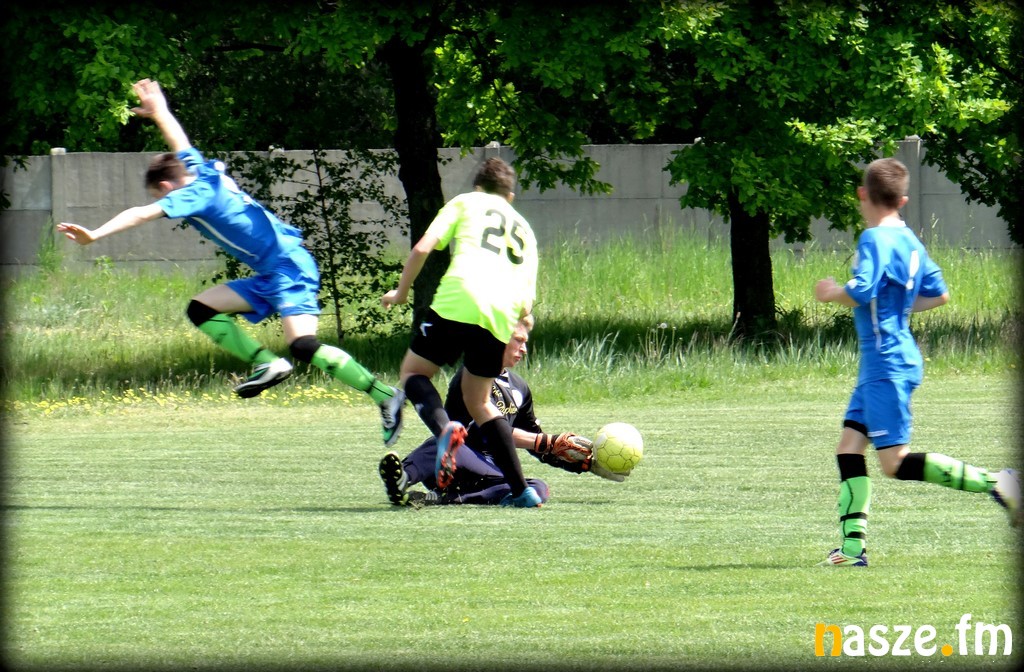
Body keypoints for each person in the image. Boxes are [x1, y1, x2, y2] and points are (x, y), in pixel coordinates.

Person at [56, 79, 403, 445]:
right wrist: (160, 112)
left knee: (303, 345)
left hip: (289, 267)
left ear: (166, 188)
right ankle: (268, 363)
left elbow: (141, 213)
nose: (162, 201)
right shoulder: (201, 171)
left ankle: (384, 395)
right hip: (273, 271)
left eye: (160, 195)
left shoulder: (193, 194)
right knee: (201, 308)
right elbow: (180, 142)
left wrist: (95, 235)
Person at [813, 157, 1020, 567]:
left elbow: (861, 291)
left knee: (894, 463)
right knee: (849, 447)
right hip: (884, 362)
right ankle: (852, 549)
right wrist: (897, 309)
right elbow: (939, 294)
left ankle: (999, 483)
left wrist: (832, 292)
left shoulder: (874, 239)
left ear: (862, 194)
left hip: (886, 364)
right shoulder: (910, 241)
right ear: (903, 200)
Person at [381, 157, 541, 507]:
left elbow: (423, 248)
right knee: (480, 402)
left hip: (458, 298)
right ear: (510, 196)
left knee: (413, 373)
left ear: (478, 187)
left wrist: (402, 292)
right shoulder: (525, 231)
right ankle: (522, 492)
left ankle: (445, 433)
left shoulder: (466, 202)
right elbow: (526, 305)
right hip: (500, 315)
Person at [377, 315, 627, 506]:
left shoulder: (520, 387)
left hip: (490, 471)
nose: (524, 349)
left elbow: (537, 442)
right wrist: (545, 441)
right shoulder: (470, 377)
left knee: (538, 488)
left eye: (525, 342)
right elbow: (480, 431)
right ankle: (402, 478)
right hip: (453, 463)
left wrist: (585, 463)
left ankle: (448, 498)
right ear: (498, 338)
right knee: (441, 442)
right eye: (519, 340)